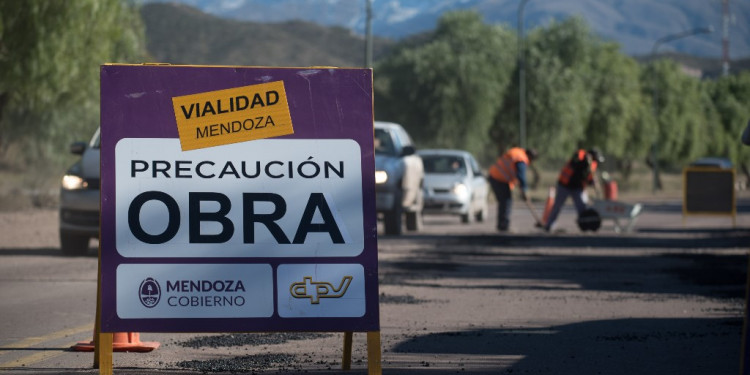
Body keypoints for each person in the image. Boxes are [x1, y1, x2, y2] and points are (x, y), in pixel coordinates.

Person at [543, 148, 604, 232]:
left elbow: (589, 178)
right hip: (565, 185)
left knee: (582, 207)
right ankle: (549, 225)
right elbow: (574, 162)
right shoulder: (580, 154)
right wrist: (585, 160)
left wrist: (594, 183)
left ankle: (585, 225)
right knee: (557, 206)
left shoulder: (593, 164)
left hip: (578, 188)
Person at [488, 147, 538, 232]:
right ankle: (504, 225)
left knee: (503, 202)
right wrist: (524, 191)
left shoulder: (517, 152)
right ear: (530, 157)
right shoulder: (522, 159)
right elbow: (521, 176)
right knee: (506, 201)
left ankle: (502, 225)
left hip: (495, 176)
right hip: (500, 179)